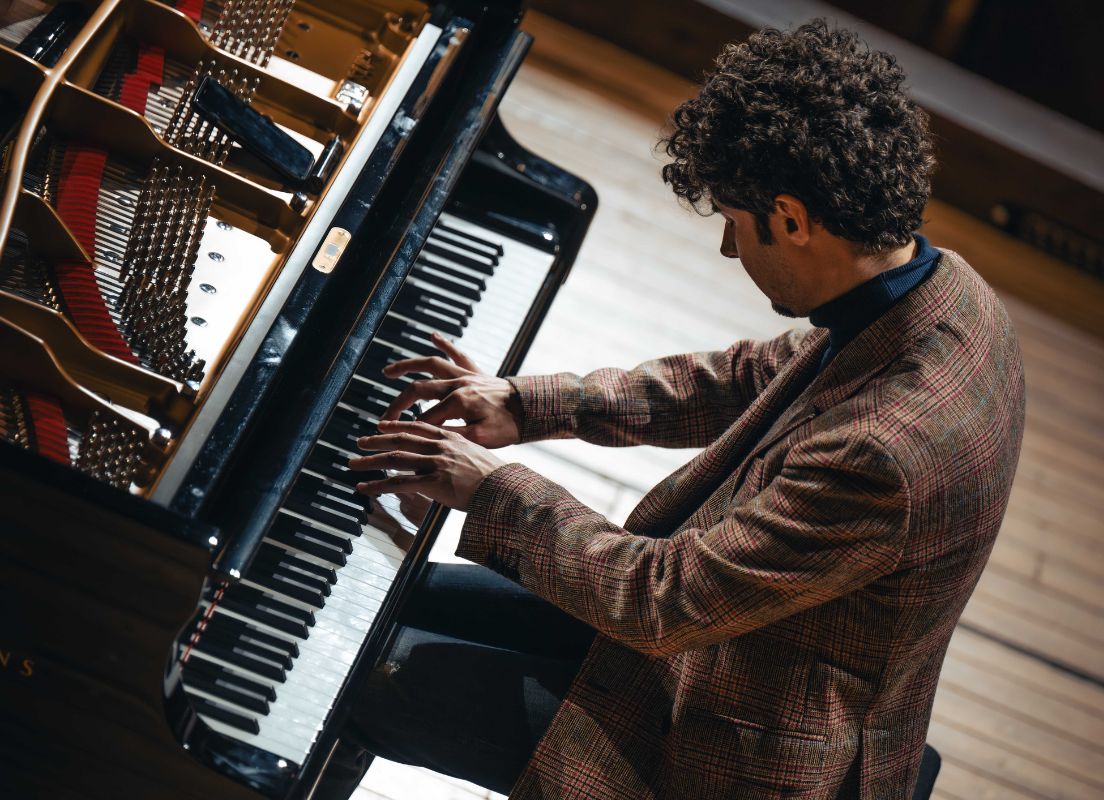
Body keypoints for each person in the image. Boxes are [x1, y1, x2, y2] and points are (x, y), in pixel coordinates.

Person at [322, 20, 1025, 800]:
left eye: (732, 220)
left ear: (790, 218)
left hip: (729, 745)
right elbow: (749, 377)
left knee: (345, 678)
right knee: (377, 602)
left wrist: (489, 488)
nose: (729, 250)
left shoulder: (884, 454)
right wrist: (528, 406)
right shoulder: (944, 290)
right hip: (731, 643)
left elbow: (664, 600)